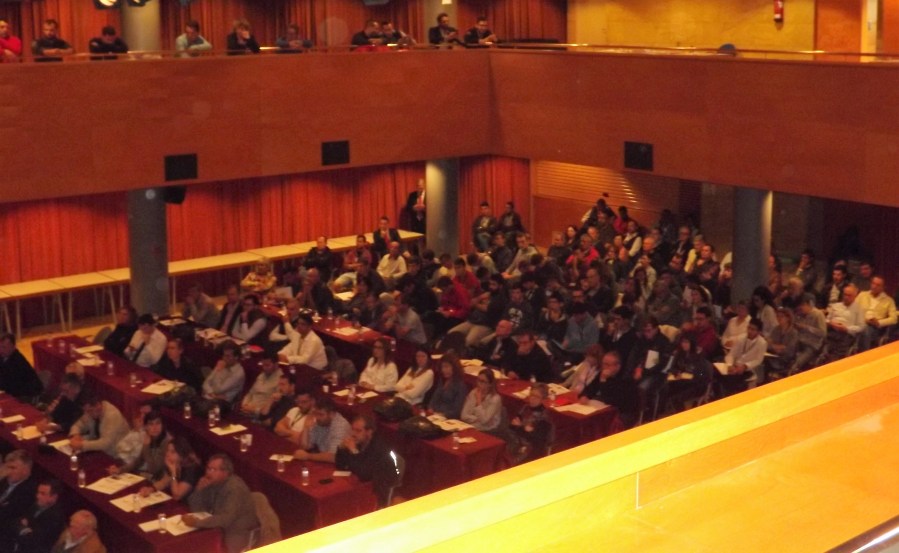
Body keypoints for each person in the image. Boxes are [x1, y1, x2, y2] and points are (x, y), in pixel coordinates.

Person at [184, 454, 259, 553]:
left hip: (237, 533)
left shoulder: (234, 489)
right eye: (208, 468)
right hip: (218, 528)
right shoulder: (212, 483)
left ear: (225, 472)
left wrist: (197, 523)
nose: (208, 473)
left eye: (213, 470)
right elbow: (197, 510)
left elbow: (225, 519)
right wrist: (199, 490)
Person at [335, 415, 401, 508]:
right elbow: (340, 466)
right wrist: (341, 449)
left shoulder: (379, 448)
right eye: (352, 429)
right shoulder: (358, 443)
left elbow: (364, 474)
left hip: (379, 491)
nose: (353, 434)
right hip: (360, 485)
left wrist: (354, 451)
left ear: (369, 432)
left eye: (358, 431)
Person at [579, 351, 638, 426]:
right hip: (607, 407)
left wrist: (603, 380)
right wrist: (584, 395)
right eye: (603, 364)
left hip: (623, 412)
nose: (604, 367)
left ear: (617, 366)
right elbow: (591, 388)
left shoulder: (626, 379)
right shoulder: (603, 373)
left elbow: (610, 399)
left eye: (607, 365)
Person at [139, 437, 202, 502]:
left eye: (173, 452)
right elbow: (163, 482)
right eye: (167, 450)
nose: (167, 454)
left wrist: (173, 472)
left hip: (186, 505)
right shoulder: (176, 464)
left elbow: (177, 495)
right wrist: (150, 489)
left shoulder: (191, 469)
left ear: (181, 454)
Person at [111, 410, 170, 478]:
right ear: (146, 427)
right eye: (151, 424)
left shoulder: (166, 442)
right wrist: (120, 470)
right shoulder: (150, 438)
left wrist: (146, 446)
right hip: (152, 476)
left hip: (162, 479)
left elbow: (154, 470)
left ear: (163, 425)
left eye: (158, 423)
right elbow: (139, 461)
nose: (155, 427)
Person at [13, 478, 65, 553]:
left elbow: (34, 540)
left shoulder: (55, 517)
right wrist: (26, 529)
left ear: (54, 497)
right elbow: (17, 521)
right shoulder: (36, 505)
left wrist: (24, 527)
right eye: (38, 492)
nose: (38, 496)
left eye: (43, 494)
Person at [718, 318, 768, 396]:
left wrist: (745, 366)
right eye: (749, 328)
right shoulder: (741, 338)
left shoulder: (762, 343)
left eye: (753, 329)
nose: (749, 331)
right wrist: (730, 365)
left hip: (749, 369)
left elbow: (758, 360)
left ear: (759, 332)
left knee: (731, 381)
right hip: (735, 366)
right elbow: (731, 354)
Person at [293, 396, 350, 463]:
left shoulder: (340, 426)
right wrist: (306, 427)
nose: (317, 417)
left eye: (321, 414)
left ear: (332, 414)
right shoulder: (320, 422)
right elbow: (305, 446)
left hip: (337, 464)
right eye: (316, 414)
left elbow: (333, 456)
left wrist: (308, 456)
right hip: (323, 460)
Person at [0, 450, 38, 550]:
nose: (8, 471)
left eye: (13, 468)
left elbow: (7, 516)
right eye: (7, 467)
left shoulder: (30, 491)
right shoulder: (4, 481)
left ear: (26, 470)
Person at [509, 383, 553, 463]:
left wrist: (520, 428)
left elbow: (536, 439)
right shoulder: (526, 408)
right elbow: (512, 425)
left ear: (543, 399)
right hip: (517, 441)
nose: (532, 398)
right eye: (531, 395)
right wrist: (524, 429)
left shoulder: (544, 417)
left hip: (532, 449)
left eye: (536, 397)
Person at [855, 275, 897, 351]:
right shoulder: (862, 295)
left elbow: (894, 319)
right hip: (859, 321)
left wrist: (879, 323)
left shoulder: (889, 301)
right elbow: (854, 308)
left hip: (873, 327)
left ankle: (864, 354)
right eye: (873, 283)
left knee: (865, 330)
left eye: (878, 285)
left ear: (883, 287)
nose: (874, 286)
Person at [201, 340, 246, 406]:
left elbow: (218, 390)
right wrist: (211, 393)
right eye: (224, 355)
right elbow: (206, 382)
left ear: (236, 357)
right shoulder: (222, 364)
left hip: (223, 403)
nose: (224, 358)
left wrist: (218, 371)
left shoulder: (238, 373)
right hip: (211, 397)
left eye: (227, 356)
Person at [0, 333, 43, 400]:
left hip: (27, 395)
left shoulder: (18, 361)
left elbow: (9, 384)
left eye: (4, 347)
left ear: (13, 347)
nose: (1, 350)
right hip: (15, 392)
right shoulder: (3, 356)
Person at [239, 352, 282, 417]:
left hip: (259, 415)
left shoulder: (281, 380)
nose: (264, 368)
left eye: (267, 365)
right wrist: (244, 404)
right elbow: (250, 393)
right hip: (247, 410)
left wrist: (254, 410)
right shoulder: (261, 375)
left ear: (276, 365)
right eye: (263, 365)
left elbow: (274, 405)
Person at [461, 368, 503, 433]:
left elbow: (484, 421)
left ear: (490, 384)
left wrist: (479, 402)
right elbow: (463, 415)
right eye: (478, 380)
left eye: (483, 381)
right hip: (472, 425)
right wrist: (476, 419)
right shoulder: (473, 392)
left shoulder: (495, 399)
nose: (479, 384)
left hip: (489, 430)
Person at [427, 354, 468, 419]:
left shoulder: (460, 386)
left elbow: (457, 410)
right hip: (435, 414)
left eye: (446, 367)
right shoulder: (442, 381)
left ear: (454, 367)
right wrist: (430, 408)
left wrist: (442, 415)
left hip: (447, 418)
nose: (443, 370)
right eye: (442, 367)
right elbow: (434, 398)